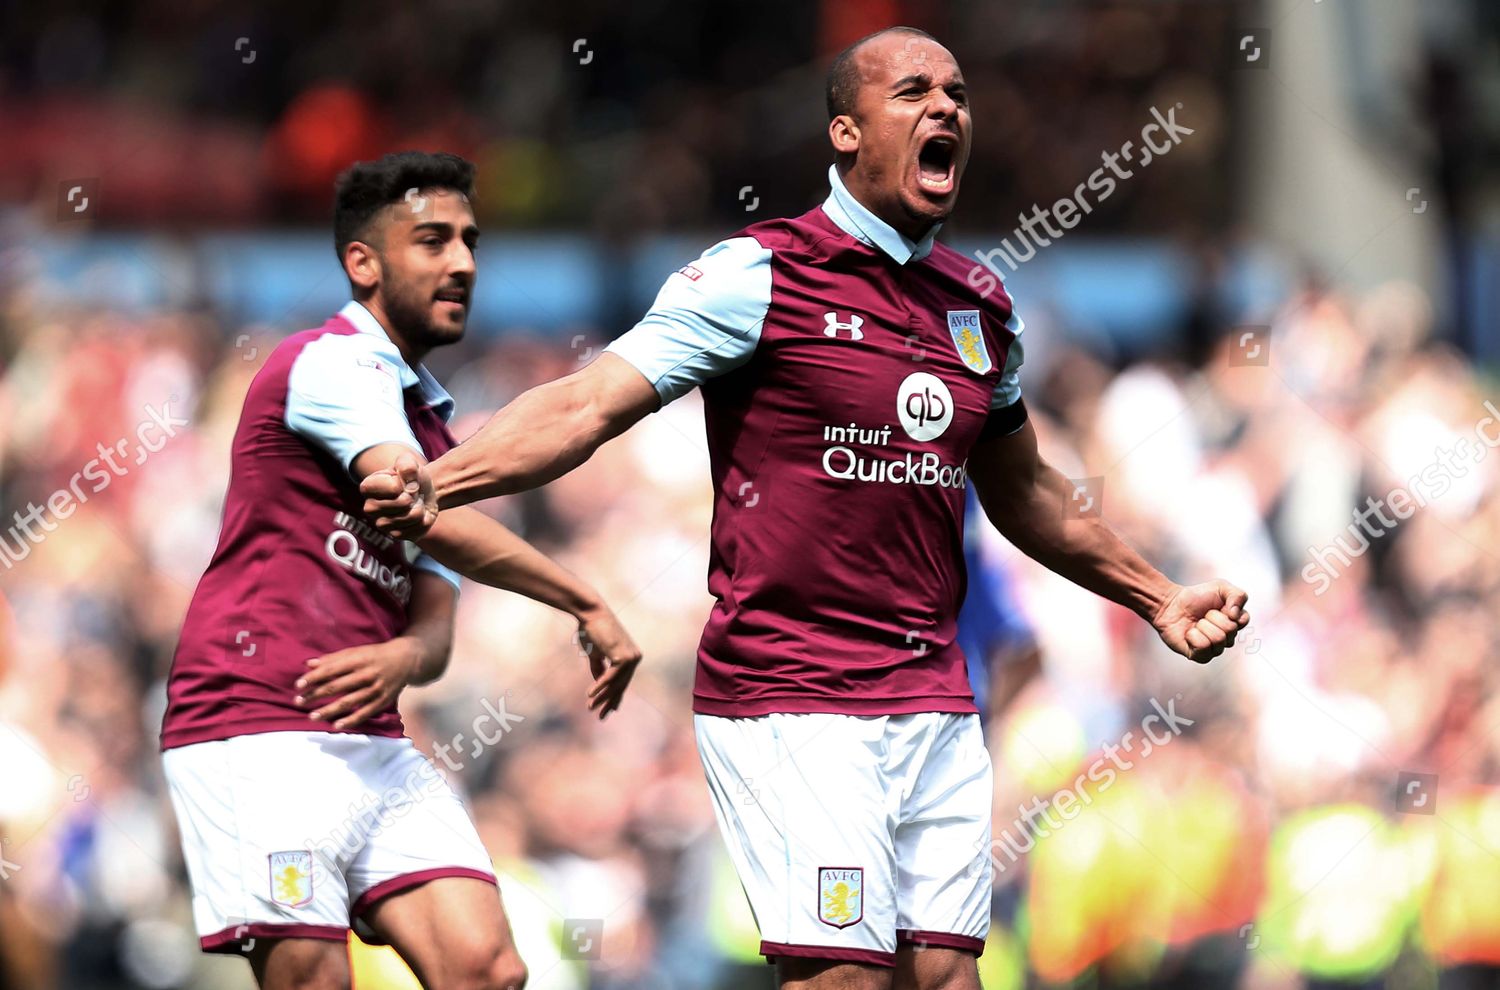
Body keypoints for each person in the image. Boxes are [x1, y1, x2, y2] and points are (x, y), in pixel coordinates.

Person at [361, 29, 1249, 990]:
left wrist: (1156, 596)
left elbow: (1025, 490)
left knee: (949, 979)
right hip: (794, 692)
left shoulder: (980, 306)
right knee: (846, 981)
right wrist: (436, 481)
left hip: (936, 696)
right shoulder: (758, 273)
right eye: (913, 92)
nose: (946, 107)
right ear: (845, 132)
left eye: (956, 92)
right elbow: (586, 403)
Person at [161, 151, 641, 990]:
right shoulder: (332, 364)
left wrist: (403, 658)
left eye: (470, 241)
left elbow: (433, 631)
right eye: (432, 241)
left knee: (487, 968)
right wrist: (582, 599)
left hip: (370, 735)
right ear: (363, 263)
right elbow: (420, 509)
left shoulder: (431, 424)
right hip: (260, 718)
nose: (462, 262)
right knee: (317, 982)